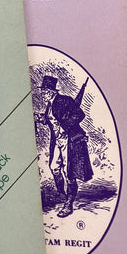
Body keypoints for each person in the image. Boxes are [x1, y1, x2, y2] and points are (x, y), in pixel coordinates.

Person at [38, 75, 94, 218]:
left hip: (70, 141)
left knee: (70, 172)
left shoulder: (65, 100)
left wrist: (65, 126)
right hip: (57, 141)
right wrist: (42, 118)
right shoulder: (49, 104)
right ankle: (61, 194)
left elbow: (79, 114)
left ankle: (69, 204)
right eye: (42, 91)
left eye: (45, 91)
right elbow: (52, 119)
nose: (43, 94)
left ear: (52, 92)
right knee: (54, 167)